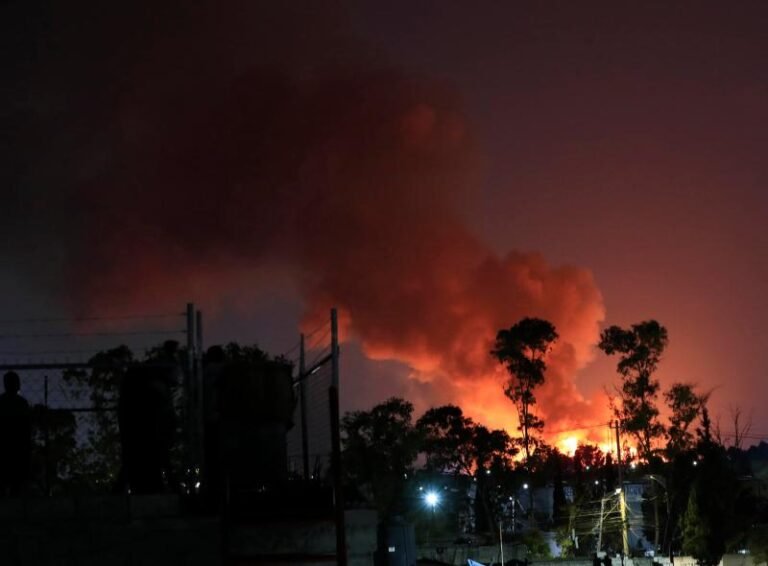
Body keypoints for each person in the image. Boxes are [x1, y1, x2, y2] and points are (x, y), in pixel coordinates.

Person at [0, 371, 31, 496]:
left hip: (5, 447)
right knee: (16, 484)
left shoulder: (2, 402)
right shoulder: (21, 403)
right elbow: (26, 427)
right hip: (18, 447)